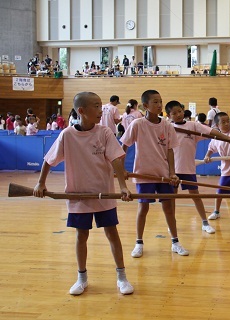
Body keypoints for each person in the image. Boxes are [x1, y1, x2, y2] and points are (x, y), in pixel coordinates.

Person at [33, 91, 134, 296]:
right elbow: (48, 160)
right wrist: (40, 183)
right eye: (96, 106)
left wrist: (122, 186)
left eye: (101, 105)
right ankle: (82, 278)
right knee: (81, 236)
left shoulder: (104, 132)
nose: (101, 110)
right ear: (81, 111)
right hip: (78, 195)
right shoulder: (67, 135)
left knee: (112, 233)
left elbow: (116, 160)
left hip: (104, 193)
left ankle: (122, 277)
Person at [120, 89, 189, 258]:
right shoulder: (137, 124)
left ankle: (175, 242)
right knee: (143, 208)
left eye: (160, 101)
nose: (159, 105)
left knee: (169, 209)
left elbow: (170, 151)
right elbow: (124, 146)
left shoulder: (167, 125)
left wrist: (172, 173)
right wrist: (121, 169)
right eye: (155, 102)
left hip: (163, 174)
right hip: (144, 175)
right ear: (145, 105)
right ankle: (139, 243)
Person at [166, 101, 230, 234]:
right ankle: (171, 223)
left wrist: (227, 139)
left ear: (183, 110)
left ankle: (205, 222)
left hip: (188, 169)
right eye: (174, 113)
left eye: (179, 111)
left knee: (196, 197)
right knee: (172, 198)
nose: (178, 115)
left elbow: (211, 131)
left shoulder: (192, 126)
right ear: (169, 116)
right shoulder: (168, 128)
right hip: (172, 170)